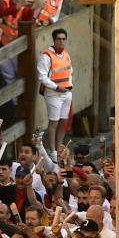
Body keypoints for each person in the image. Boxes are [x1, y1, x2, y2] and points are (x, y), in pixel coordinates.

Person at [35, 25, 72, 155]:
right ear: (54, 40)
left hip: (66, 92)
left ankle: (59, 147)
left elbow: (70, 71)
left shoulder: (66, 54)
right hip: (53, 94)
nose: (61, 41)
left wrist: (69, 86)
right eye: (58, 39)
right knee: (54, 122)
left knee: (63, 121)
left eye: (63, 39)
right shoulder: (46, 56)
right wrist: (57, 87)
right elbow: (42, 77)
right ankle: (52, 151)